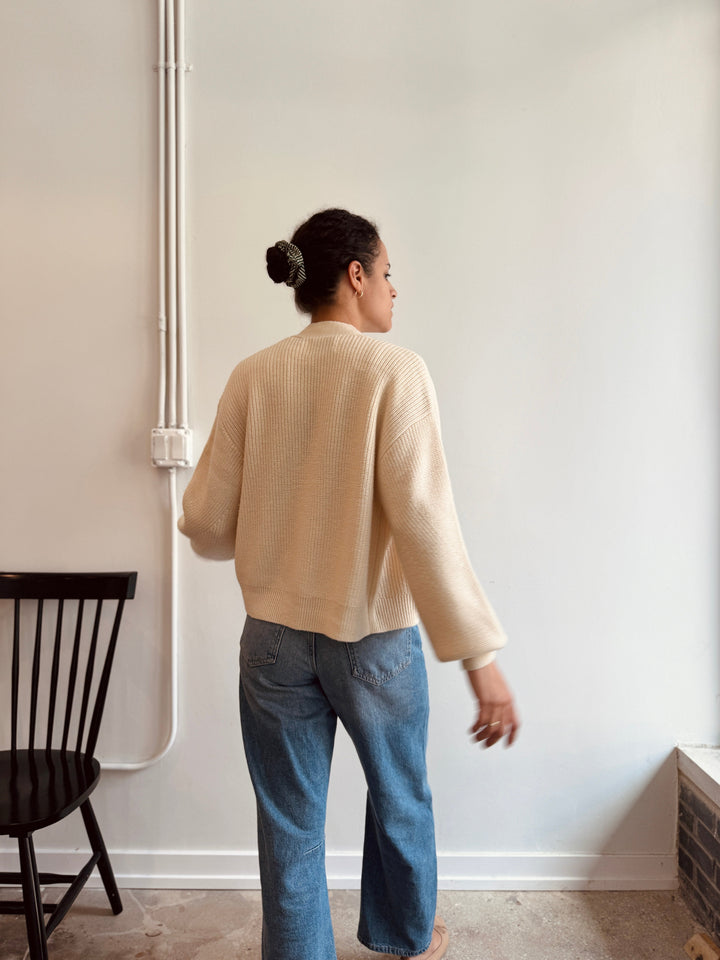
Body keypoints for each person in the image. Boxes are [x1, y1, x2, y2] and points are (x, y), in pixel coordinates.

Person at [179, 208, 520, 960]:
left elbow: (202, 518)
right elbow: (425, 522)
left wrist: (272, 537)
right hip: (373, 640)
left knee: (290, 825)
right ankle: (405, 939)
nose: (395, 290)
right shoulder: (393, 371)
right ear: (356, 276)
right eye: (388, 273)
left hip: (270, 641)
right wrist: (479, 657)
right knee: (401, 799)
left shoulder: (253, 375)